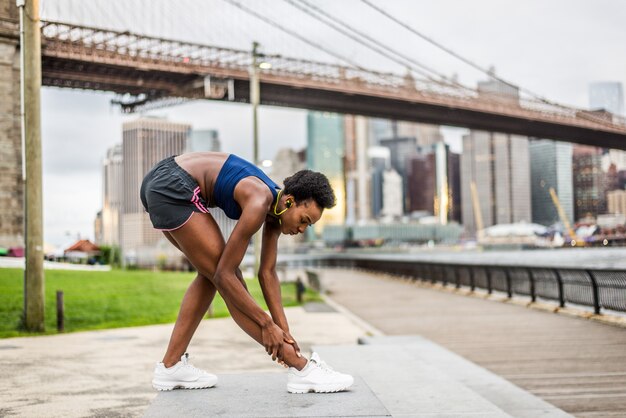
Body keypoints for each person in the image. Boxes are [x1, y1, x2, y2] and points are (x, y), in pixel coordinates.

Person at [141, 152, 354, 393]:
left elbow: (267, 273)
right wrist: (266, 324)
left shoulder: (276, 209)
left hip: (162, 181)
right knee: (230, 279)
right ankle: (301, 368)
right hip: (172, 185)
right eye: (304, 220)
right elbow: (226, 275)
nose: (303, 229)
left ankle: (171, 366)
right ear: (290, 202)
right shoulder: (259, 200)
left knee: (209, 275)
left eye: (308, 225)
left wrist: (284, 332)